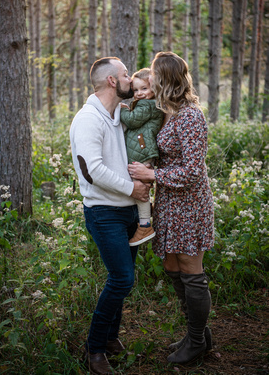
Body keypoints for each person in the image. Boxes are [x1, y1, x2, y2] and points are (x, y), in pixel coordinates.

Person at [127, 51, 215, 365]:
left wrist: (152, 174)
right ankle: (198, 334)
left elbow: (193, 170)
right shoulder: (167, 111)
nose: (149, 79)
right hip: (168, 202)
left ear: (166, 79)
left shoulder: (190, 114)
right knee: (172, 267)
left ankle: (195, 343)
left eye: (153, 75)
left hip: (190, 203)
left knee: (191, 272)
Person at [70, 57, 150, 375]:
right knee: (122, 279)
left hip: (129, 212)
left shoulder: (117, 114)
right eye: (126, 74)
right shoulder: (88, 119)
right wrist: (132, 188)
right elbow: (93, 171)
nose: (131, 78)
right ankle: (95, 349)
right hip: (104, 214)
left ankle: (111, 338)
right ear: (113, 82)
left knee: (124, 282)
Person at [120, 68, 163, 246]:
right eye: (136, 90)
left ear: (154, 89)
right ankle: (146, 213)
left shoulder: (148, 105)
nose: (139, 94)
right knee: (141, 190)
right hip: (141, 149)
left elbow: (131, 120)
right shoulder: (147, 104)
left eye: (144, 89)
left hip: (143, 151)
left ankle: (145, 225)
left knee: (140, 191)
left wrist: (121, 110)